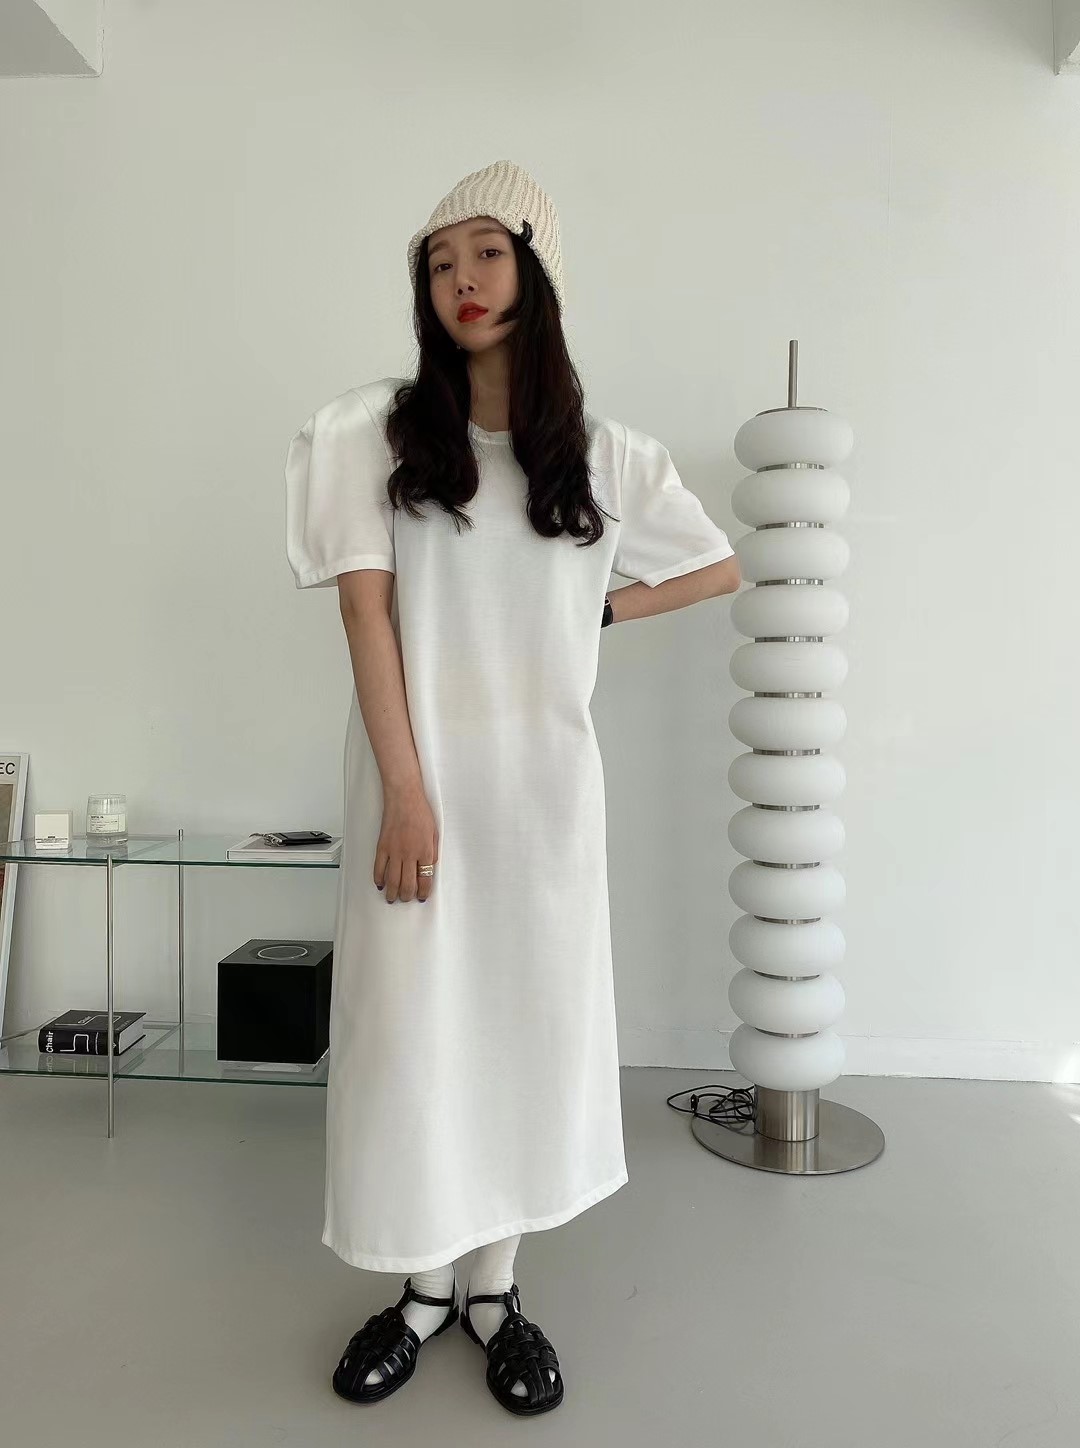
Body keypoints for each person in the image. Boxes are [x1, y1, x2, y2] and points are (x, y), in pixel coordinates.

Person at [284, 158, 741, 1417]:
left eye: (488, 252)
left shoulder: (601, 458)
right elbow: (368, 621)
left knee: (520, 1030)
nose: (463, 280)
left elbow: (716, 565)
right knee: (411, 1035)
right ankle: (422, 1287)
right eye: (440, 263)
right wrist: (406, 790)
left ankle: (493, 1291)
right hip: (414, 788)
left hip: (543, 800)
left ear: (535, 272)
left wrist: (601, 608)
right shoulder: (376, 436)